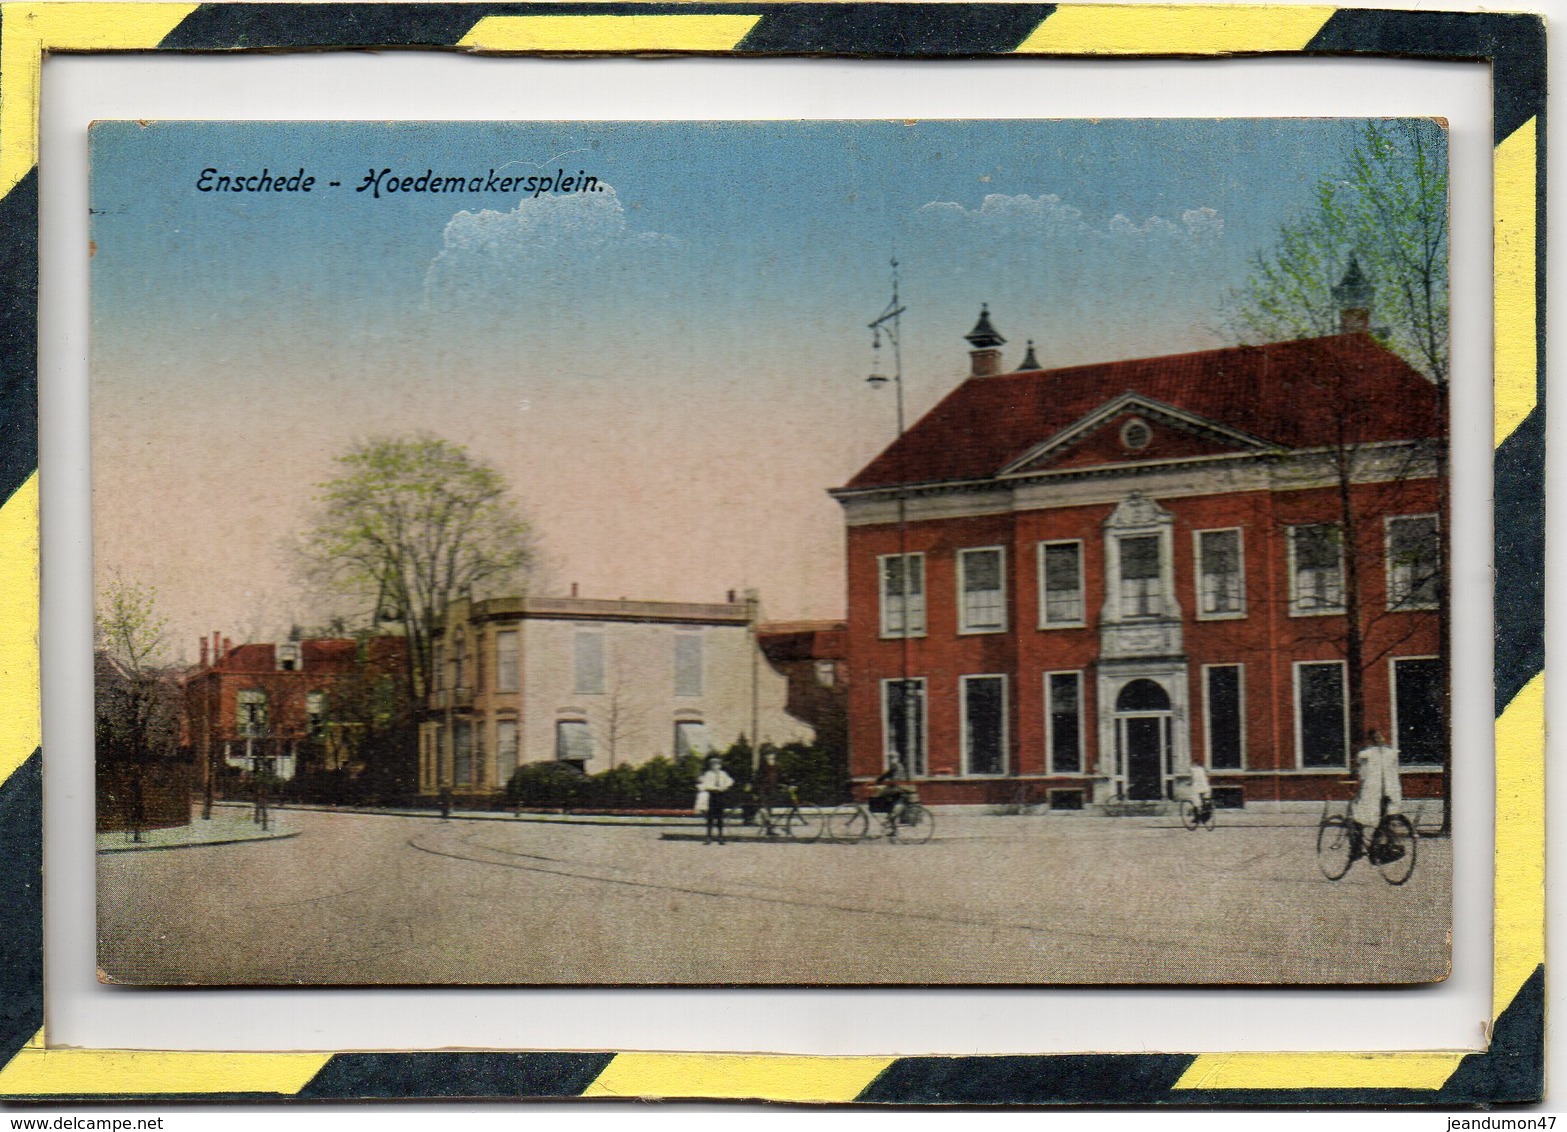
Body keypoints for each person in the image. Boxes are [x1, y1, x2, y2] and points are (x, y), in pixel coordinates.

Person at [1350, 729, 1403, 856]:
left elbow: (1362, 775)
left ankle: (1357, 850)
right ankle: (1385, 844)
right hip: (1390, 792)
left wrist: (1358, 792)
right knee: (1385, 818)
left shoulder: (1366, 754)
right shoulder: (1391, 754)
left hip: (1373, 793)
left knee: (1357, 817)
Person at [695, 755, 735, 845]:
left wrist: (724, 787)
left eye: (717, 765)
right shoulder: (708, 774)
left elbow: (730, 781)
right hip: (711, 795)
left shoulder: (723, 774)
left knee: (720, 818)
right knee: (710, 818)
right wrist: (714, 788)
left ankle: (720, 837)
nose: (715, 767)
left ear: (720, 766)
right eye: (713, 765)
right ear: (711, 766)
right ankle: (709, 837)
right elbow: (705, 784)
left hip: (720, 796)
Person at [754, 749, 783, 832]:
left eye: (772, 755)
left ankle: (769, 830)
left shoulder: (776, 766)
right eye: (769, 755)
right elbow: (757, 778)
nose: (771, 757)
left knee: (769, 809)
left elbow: (782, 776)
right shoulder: (762, 766)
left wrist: (789, 783)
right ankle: (761, 820)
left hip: (771, 790)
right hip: (762, 790)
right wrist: (757, 790)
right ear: (765, 757)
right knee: (764, 808)